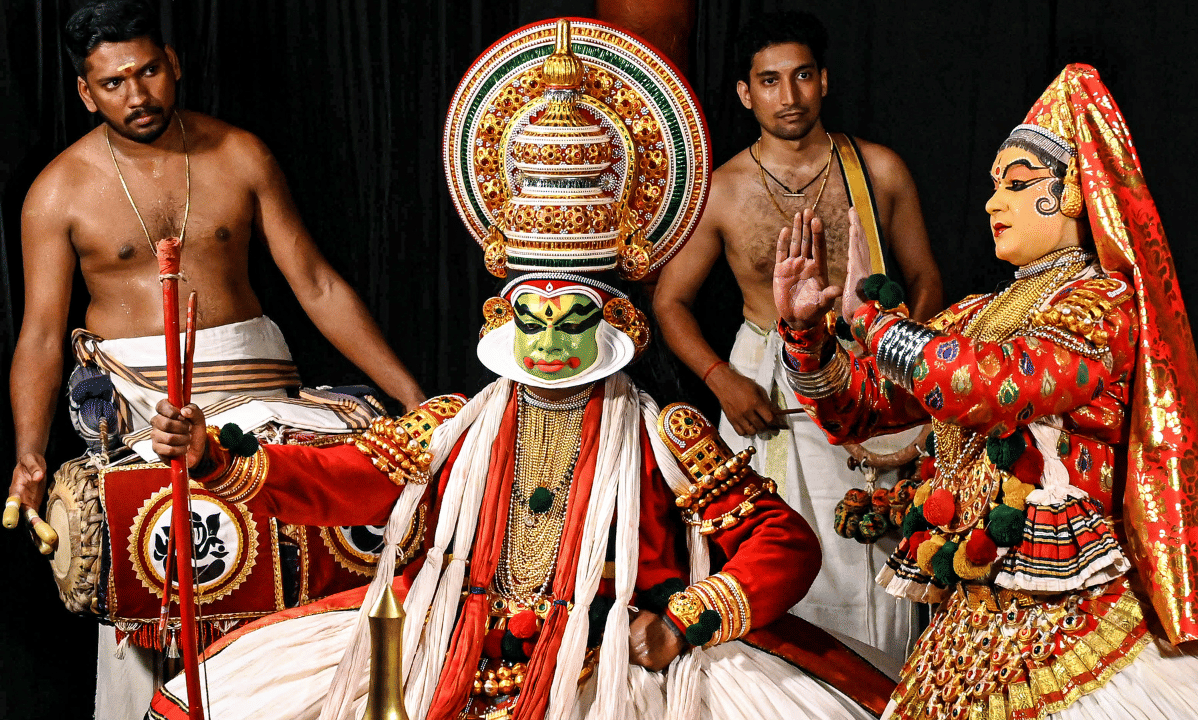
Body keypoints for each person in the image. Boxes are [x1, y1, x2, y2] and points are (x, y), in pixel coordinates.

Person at [143, 20, 894, 720]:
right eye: (530, 316)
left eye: (572, 318)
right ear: (501, 317)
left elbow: (784, 543)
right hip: (453, 643)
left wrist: (684, 620)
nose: (548, 341)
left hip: (613, 665)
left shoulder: (667, 436)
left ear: (616, 322)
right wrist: (212, 455)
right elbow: (337, 479)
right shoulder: (455, 425)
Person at [773, 64, 1198, 719]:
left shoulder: (1103, 304)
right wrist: (806, 335)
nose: (991, 204)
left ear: (1070, 193)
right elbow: (859, 409)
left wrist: (876, 323)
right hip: (971, 616)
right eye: (991, 187)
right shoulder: (975, 315)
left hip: (1075, 609)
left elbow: (996, 385)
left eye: (1015, 185)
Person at [4, 1, 425, 717]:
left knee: (298, 570)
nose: (136, 96)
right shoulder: (58, 191)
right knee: (161, 588)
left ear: (174, 62)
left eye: (147, 72)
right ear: (85, 92)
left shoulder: (239, 155)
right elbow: (42, 336)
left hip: (261, 387)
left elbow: (316, 285)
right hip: (143, 408)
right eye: (113, 84)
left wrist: (412, 398)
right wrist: (29, 454)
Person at [653, 10, 942, 664]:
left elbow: (925, 277)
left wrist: (903, 354)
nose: (789, 96)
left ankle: (878, 690)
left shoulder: (879, 171)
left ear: (825, 80)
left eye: (803, 76)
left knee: (872, 558)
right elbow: (670, 303)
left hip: (868, 388)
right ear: (744, 93)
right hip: (765, 392)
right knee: (774, 554)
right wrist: (720, 379)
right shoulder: (722, 190)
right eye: (771, 80)